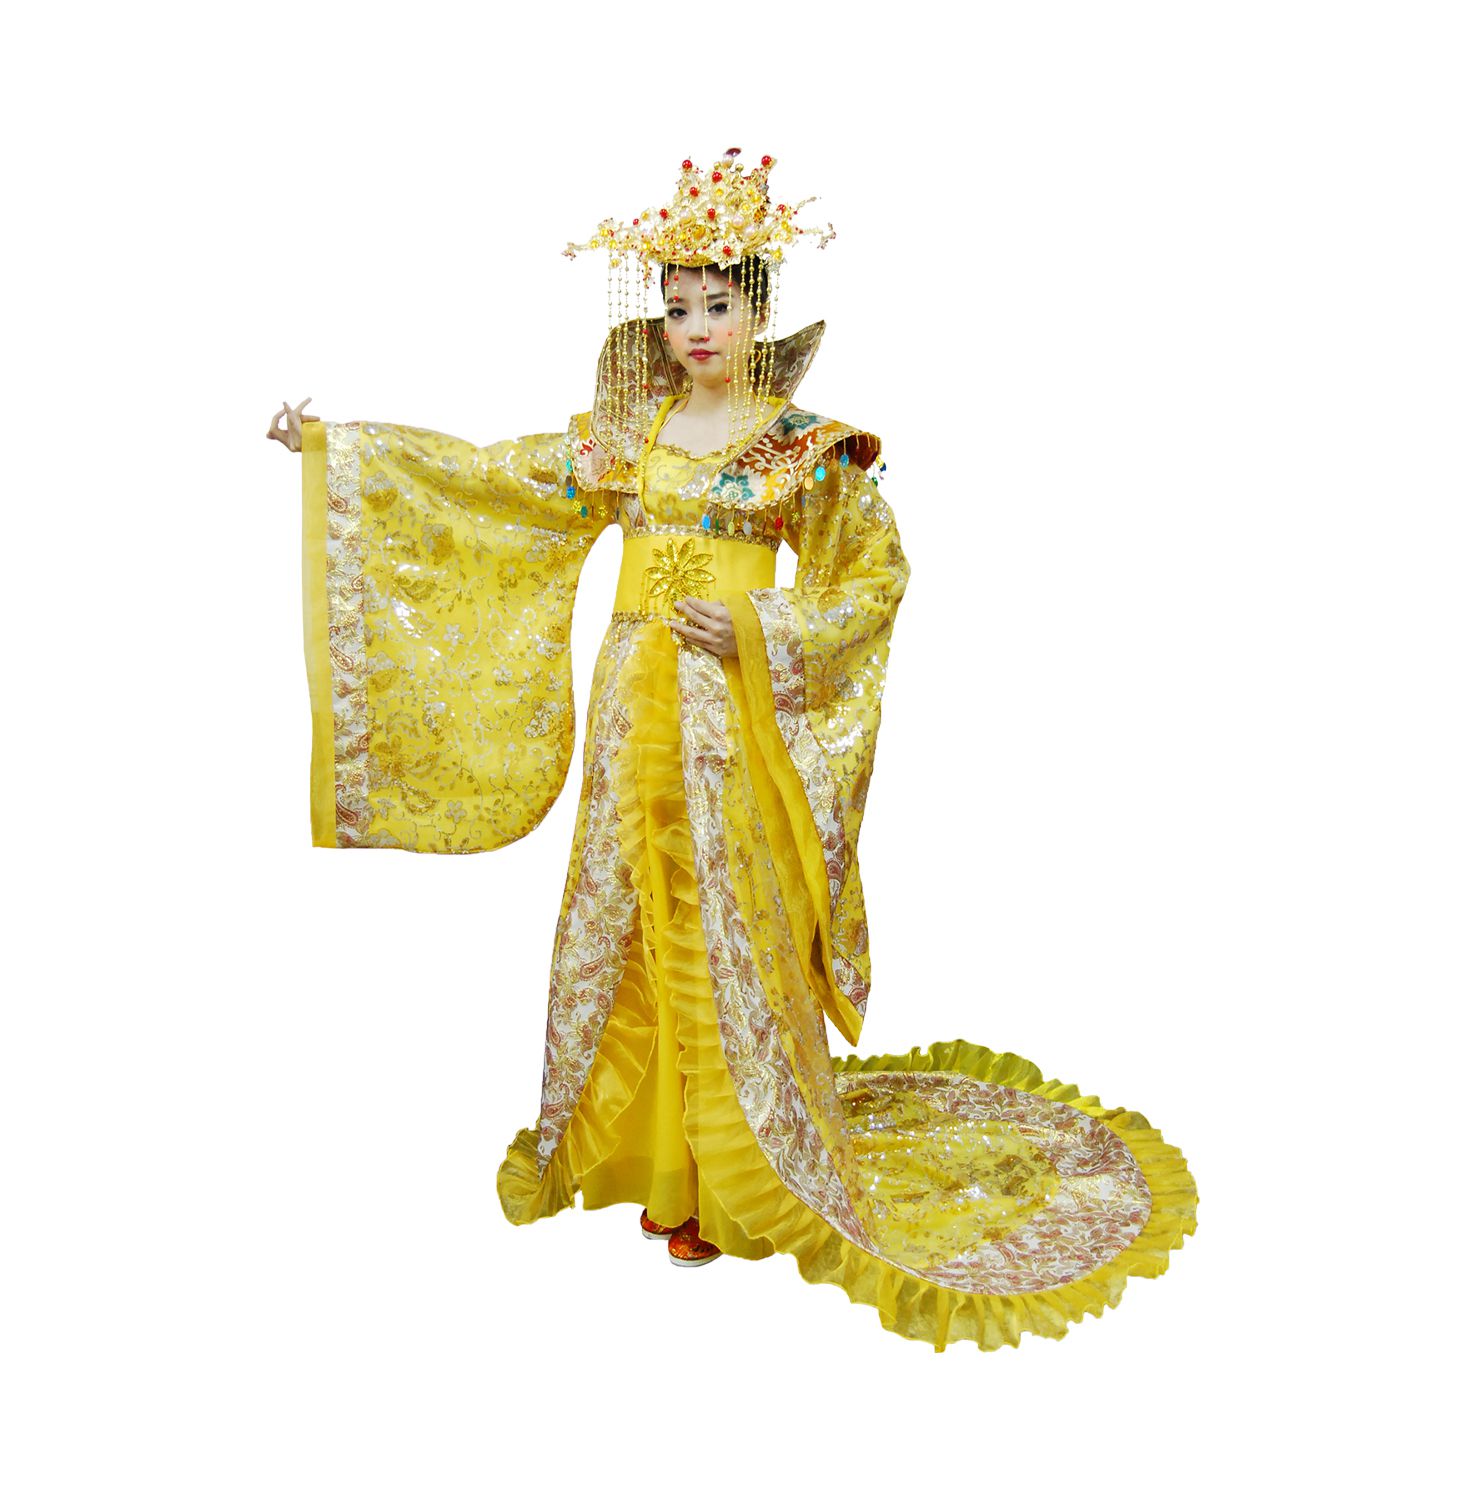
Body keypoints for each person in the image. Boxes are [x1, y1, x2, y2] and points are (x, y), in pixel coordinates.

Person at [268, 148, 1198, 1351]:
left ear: (758, 312)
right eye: (677, 307)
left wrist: (762, 626)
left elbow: (872, 578)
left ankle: (733, 1178)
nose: (696, 327)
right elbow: (500, 480)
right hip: (634, 705)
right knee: (634, 905)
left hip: (731, 711)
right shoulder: (633, 432)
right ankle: (652, 1158)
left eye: (717, 304)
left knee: (725, 918)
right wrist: (338, 448)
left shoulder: (800, 448)